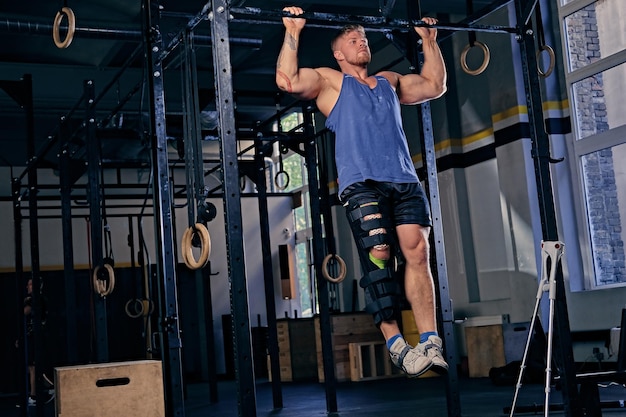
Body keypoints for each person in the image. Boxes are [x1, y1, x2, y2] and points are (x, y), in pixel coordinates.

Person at [276, 6, 448, 377]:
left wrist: (429, 41)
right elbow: (287, 80)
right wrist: (293, 32)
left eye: (365, 39)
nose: (362, 43)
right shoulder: (330, 82)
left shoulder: (389, 81)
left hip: (403, 179)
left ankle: (430, 341)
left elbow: (435, 85)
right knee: (379, 253)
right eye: (354, 40)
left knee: (418, 254)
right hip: (361, 182)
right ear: (339, 53)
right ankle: (397, 345)